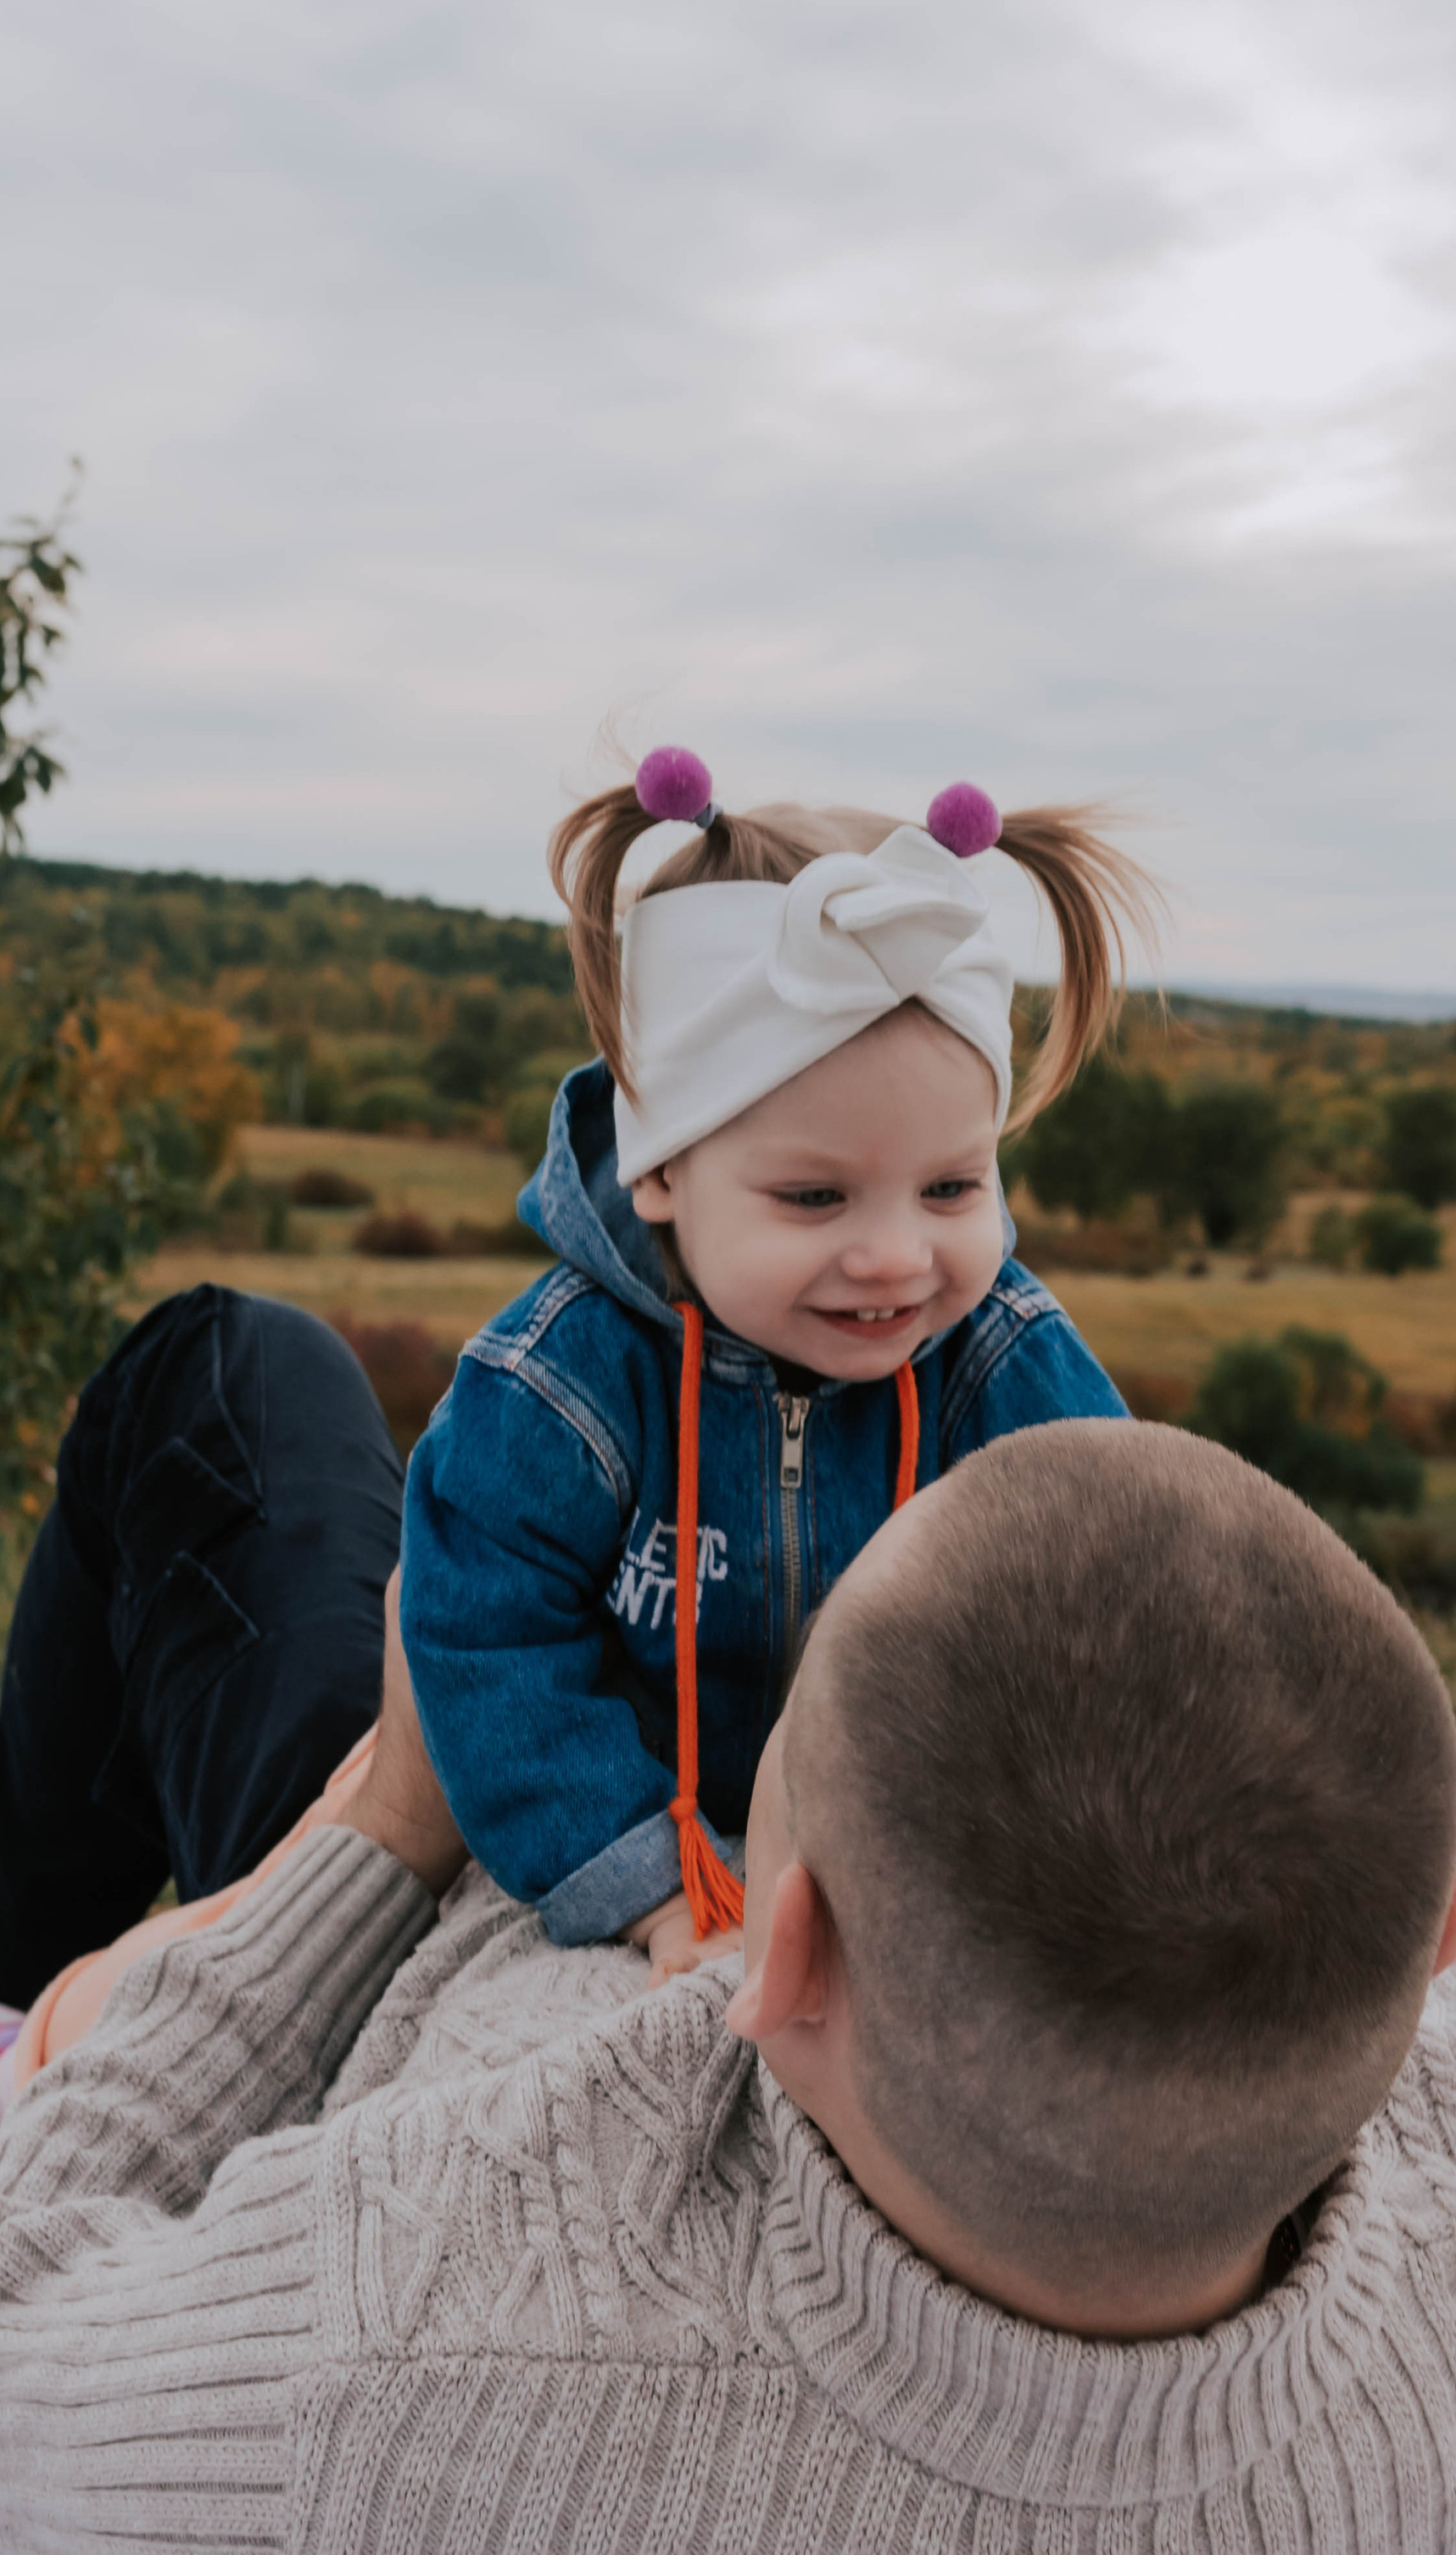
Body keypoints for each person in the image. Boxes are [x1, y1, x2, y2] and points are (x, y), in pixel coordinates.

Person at [0, 1347, 1456, 2555]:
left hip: (417, 1923)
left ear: (783, 1944)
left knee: (220, 1378)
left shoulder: (407, 2417)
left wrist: (381, 1820)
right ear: (1444, 1935)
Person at [396, 751, 1152, 1976]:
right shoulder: (562, 1389)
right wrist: (643, 1877)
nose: (899, 1259)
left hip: (914, 1843)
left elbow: (1141, 1580)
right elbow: (488, 1640)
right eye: (815, 1196)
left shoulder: (994, 1359)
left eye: (953, 1186)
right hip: (629, 1850)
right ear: (661, 1170)